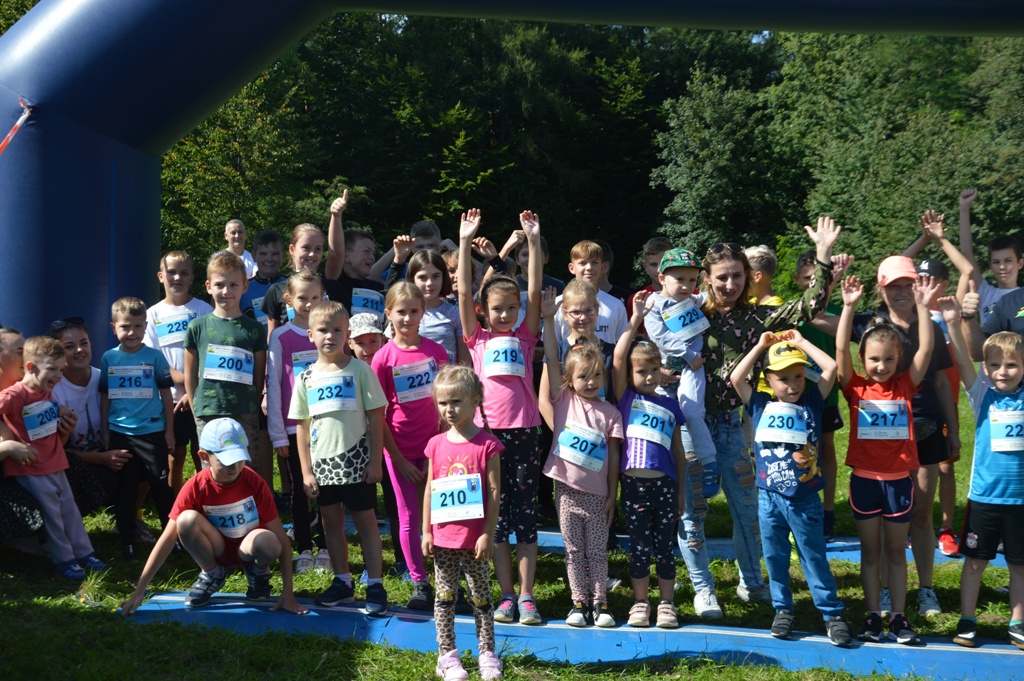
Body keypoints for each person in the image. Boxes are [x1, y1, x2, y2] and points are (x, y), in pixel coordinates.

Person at [683, 218, 839, 620]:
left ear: (748, 276)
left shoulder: (757, 317)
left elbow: (810, 307)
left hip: (734, 424)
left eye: (737, 276)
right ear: (707, 277)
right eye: (721, 277)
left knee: (748, 510)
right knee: (693, 513)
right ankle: (703, 589)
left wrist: (823, 255)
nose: (730, 284)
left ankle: (752, 582)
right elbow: (655, 341)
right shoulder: (690, 312)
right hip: (692, 426)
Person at [730, 330, 851, 647]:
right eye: (783, 379)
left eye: (798, 376)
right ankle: (782, 608)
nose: (793, 385)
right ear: (768, 380)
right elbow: (736, 377)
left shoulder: (813, 401)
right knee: (775, 557)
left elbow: (831, 368)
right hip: (769, 499)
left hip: (804, 499)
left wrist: (800, 343)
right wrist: (760, 346)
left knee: (813, 556)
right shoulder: (759, 404)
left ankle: (831, 613)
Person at [837, 274, 940, 645]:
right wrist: (848, 308)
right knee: (870, 552)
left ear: (899, 360)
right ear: (863, 359)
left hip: (898, 483)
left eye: (889, 359)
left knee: (896, 552)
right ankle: (872, 616)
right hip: (865, 482)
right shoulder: (856, 387)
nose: (881, 366)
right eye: (874, 359)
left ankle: (898, 617)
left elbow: (925, 351)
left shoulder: (905, 385)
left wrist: (924, 308)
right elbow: (839, 352)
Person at [120, 418, 307, 616]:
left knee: (269, 541)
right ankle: (212, 573)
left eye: (239, 459)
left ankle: (258, 570)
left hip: (248, 546)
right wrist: (140, 590)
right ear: (204, 456)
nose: (234, 467)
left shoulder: (255, 482)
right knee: (186, 520)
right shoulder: (195, 486)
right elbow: (167, 539)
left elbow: (281, 539)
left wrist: (288, 593)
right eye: (226, 461)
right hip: (217, 549)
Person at [457, 208, 544, 625]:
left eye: (512, 308)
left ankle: (527, 596)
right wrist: (463, 242)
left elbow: (536, 290)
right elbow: (462, 293)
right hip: (487, 436)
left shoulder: (526, 336)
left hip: (525, 433)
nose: (505, 314)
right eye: (497, 309)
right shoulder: (477, 339)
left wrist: (533, 241)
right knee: (496, 517)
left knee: (525, 517)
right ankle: (506, 594)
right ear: (484, 311)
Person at [291, 301, 389, 615]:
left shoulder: (360, 371)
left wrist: (375, 461)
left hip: (357, 463)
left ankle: (375, 584)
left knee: (366, 523)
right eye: (323, 330)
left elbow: (376, 417)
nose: (330, 336)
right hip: (323, 466)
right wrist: (306, 471)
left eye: (337, 330)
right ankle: (342, 582)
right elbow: (302, 427)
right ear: (310, 334)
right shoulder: (306, 378)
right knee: (331, 524)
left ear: (347, 335)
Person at [938, 294, 1024, 650]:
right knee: (975, 562)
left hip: (1020, 502)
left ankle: (1017, 622)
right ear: (986, 368)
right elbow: (961, 358)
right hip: (985, 499)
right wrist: (952, 321)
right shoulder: (981, 395)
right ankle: (968, 619)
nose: (1003, 371)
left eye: (1012, 365)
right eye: (995, 365)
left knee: (1020, 566)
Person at [540, 288, 624, 628]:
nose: (590, 382)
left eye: (596, 376)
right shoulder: (563, 401)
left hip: (599, 494)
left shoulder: (611, 413)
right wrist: (548, 319)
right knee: (574, 550)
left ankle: (600, 604)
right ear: (569, 380)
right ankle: (578, 603)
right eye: (583, 377)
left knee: (597, 551)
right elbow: (551, 357)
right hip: (566, 491)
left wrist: (612, 494)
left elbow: (614, 458)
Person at [0, 336, 107, 580]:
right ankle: (65, 560)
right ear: (31, 367)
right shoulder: (15, 395)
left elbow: (45, 409)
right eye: (52, 369)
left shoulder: (44, 390)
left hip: (55, 462)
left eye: (61, 370)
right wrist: (8, 440)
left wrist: (60, 410)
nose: (58, 376)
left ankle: (85, 553)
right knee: (52, 515)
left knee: (70, 511)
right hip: (32, 467)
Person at [371, 282, 449, 610]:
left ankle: (447, 579)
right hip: (399, 450)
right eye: (401, 312)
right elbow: (378, 415)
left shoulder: (436, 352)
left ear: (423, 312)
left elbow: (447, 404)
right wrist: (397, 458)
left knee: (438, 515)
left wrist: (439, 448)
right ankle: (420, 582)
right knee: (408, 517)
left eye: (414, 311)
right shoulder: (383, 358)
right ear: (388, 313)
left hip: (435, 449)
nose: (407, 318)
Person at [422, 366, 504, 680]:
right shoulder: (435, 444)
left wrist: (487, 533)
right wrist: (426, 531)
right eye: (443, 403)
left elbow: (494, 491)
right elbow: (430, 488)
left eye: (456, 401)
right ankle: (447, 656)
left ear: (475, 400)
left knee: (481, 597)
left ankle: (487, 654)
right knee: (445, 597)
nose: (449, 409)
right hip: (443, 538)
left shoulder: (488, 445)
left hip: (475, 539)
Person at [612, 292, 686, 629]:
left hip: (665, 486)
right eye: (642, 371)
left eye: (655, 369)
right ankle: (640, 602)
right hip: (633, 485)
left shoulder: (670, 405)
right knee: (640, 547)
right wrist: (635, 319)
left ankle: (667, 604)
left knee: (665, 547)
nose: (650, 376)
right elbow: (617, 358)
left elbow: (678, 451)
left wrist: (681, 491)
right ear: (631, 374)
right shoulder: (626, 397)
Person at [100, 297, 176, 546]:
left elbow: (166, 395)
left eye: (137, 326)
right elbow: (105, 396)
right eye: (125, 327)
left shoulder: (155, 357)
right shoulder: (109, 358)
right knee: (127, 487)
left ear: (146, 326)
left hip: (152, 431)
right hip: (120, 433)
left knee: (160, 485)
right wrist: (105, 431)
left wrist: (169, 430)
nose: (131, 332)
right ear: (113, 328)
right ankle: (127, 538)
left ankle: (172, 537)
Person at [266, 271, 327, 574]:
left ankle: (327, 547)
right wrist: (278, 434)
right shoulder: (280, 336)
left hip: (327, 425)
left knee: (327, 488)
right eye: (303, 298)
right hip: (293, 428)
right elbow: (275, 386)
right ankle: (304, 546)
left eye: (315, 297)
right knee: (300, 489)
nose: (309, 304)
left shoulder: (327, 332)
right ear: (289, 299)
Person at [642, 248, 717, 492]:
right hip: (664, 372)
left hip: (692, 369)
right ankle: (657, 473)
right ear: (662, 278)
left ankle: (709, 463)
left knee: (693, 411)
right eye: (680, 279)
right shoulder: (653, 304)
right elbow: (660, 337)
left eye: (692, 280)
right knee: (662, 420)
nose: (686, 286)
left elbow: (713, 294)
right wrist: (688, 354)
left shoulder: (693, 300)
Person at [184, 251, 267, 462]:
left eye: (233, 285)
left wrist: (252, 406)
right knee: (212, 469)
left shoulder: (255, 329)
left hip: (245, 411)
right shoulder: (196, 327)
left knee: (245, 467)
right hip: (208, 411)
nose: (226, 291)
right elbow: (190, 376)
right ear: (208, 286)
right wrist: (196, 410)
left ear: (244, 286)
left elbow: (258, 377)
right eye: (219, 285)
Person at [144, 250, 213, 491]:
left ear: (192, 277)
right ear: (160, 276)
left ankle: (204, 501)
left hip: (202, 397)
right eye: (172, 272)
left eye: (184, 273)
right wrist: (185, 382)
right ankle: (175, 505)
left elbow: (210, 355)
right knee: (174, 455)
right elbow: (154, 358)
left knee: (202, 454)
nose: (177, 278)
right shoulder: (152, 314)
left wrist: (193, 389)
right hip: (169, 399)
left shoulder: (204, 310)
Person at [791, 249, 845, 541]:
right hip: (795, 393)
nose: (814, 283)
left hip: (827, 392)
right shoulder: (794, 311)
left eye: (818, 278)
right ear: (797, 280)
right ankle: (799, 506)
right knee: (799, 450)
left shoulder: (837, 311)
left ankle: (828, 511)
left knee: (825, 449)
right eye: (808, 279)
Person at [386, 241, 469, 366]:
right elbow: (389, 355)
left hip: (447, 377)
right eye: (422, 277)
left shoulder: (455, 313)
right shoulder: (401, 313)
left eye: (436, 276)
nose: (430, 283)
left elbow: (464, 361)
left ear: (443, 277)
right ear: (412, 279)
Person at [260, 223, 345, 336]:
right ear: (292, 249)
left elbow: (344, 333)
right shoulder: (277, 290)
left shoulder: (333, 288)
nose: (312, 254)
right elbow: (272, 336)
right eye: (306, 248)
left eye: (318, 249)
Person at [958, 188, 1021, 323]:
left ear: (1020, 263)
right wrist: (964, 207)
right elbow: (966, 253)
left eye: (1008, 261)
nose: (1002, 267)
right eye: (996, 262)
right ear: (991, 266)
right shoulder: (985, 293)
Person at [323, 191, 386, 323]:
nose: (372, 257)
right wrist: (336, 216)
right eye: (366, 251)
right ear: (346, 256)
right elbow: (335, 253)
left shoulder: (377, 288)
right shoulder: (336, 282)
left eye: (373, 253)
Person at [554, 240, 628, 347]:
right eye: (582, 263)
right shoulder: (558, 303)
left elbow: (622, 345)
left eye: (594, 262)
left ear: (602, 267)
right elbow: (552, 346)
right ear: (571, 268)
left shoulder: (616, 305)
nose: (589, 267)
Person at [626, 236, 673, 337]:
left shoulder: (693, 294)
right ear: (645, 266)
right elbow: (634, 338)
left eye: (664, 263)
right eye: (653, 265)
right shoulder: (638, 300)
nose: (659, 269)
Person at [240, 230, 287, 328]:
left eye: (275, 254)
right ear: (254, 256)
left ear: (283, 256)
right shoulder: (243, 290)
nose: (269, 259)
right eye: (263, 254)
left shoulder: (293, 285)